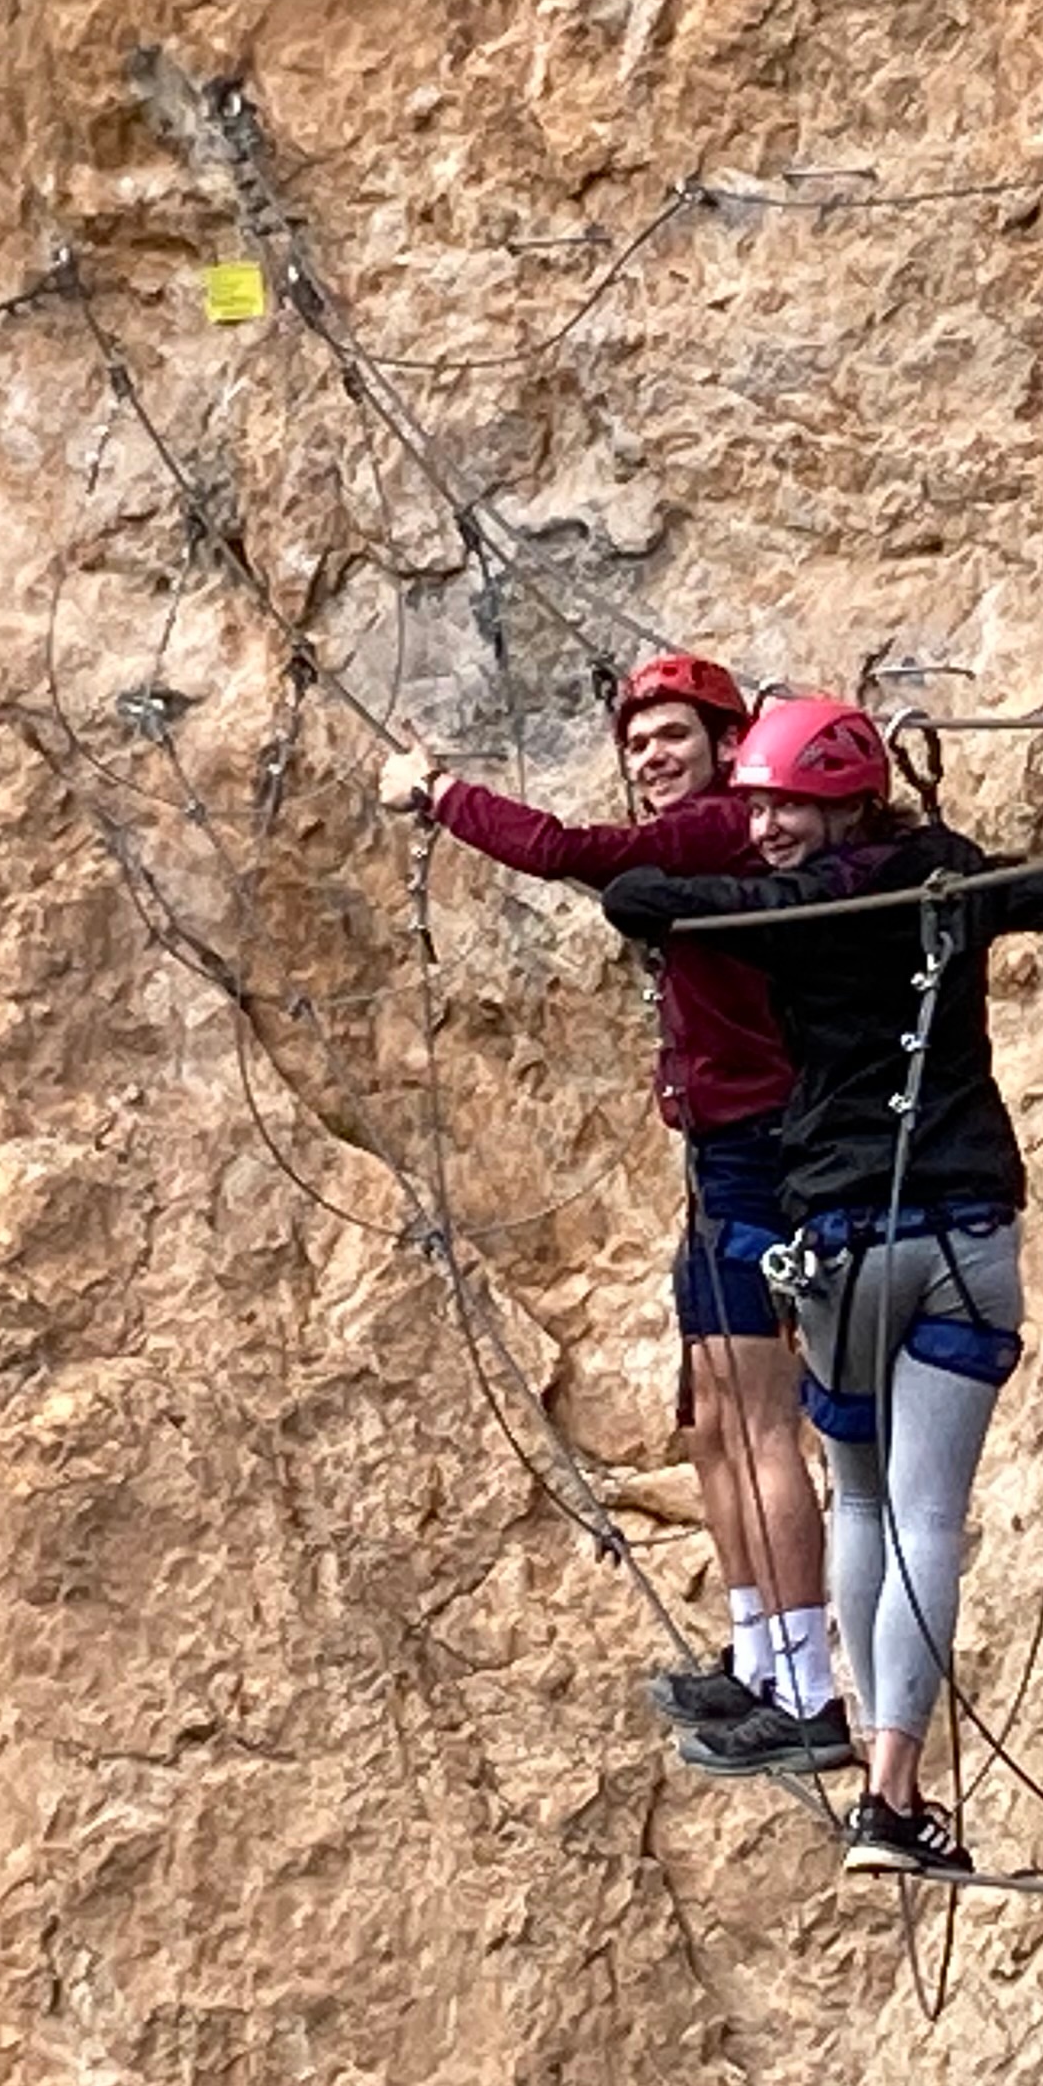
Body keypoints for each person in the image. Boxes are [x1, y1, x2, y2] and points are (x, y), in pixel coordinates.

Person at [601, 698, 1043, 1875]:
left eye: (786, 803)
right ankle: (892, 1797)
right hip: (965, 1241)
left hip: (844, 1246)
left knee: (864, 1505)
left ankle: (840, 1726)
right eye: (760, 806)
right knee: (929, 1517)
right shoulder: (947, 878)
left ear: (840, 799)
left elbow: (640, 898)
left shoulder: (783, 909)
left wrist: (727, 884)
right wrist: (1032, 894)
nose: (770, 824)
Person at [384, 654, 848, 1774]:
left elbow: (565, 852)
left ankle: (806, 1684)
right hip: (724, 1151)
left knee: (757, 1416)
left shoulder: (717, 830)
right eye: (638, 744)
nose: (652, 760)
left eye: (674, 738)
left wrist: (438, 792)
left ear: (730, 746)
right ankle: (759, 1659)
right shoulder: (707, 839)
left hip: (758, 1149)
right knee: (710, 1419)